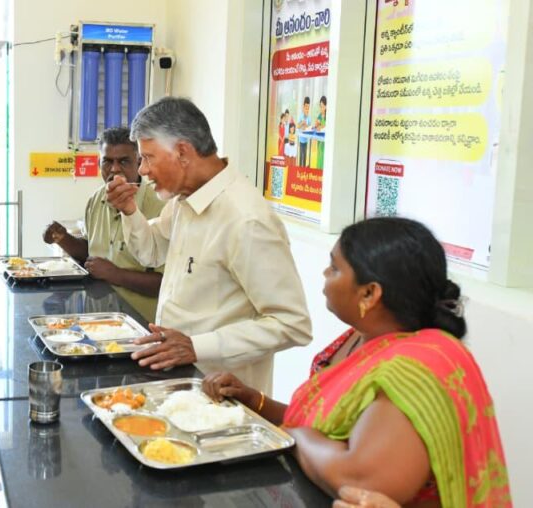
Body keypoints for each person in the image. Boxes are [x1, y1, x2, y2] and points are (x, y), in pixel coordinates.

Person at [202, 217, 511, 507]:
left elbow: (358, 482)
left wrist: (293, 437)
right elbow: (326, 427)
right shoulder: (360, 338)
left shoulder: (414, 369)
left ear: (369, 294)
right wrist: (254, 402)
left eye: (334, 268)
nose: (325, 274)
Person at [106, 97, 311, 394]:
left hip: (223, 395)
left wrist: (196, 347)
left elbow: (292, 324)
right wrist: (129, 210)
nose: (143, 171)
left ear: (182, 152)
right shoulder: (183, 200)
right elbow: (151, 252)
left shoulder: (246, 219)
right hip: (179, 379)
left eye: (148, 158)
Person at [42, 127, 166, 321]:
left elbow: (165, 284)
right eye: (107, 161)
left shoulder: (159, 206)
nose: (115, 169)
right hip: (99, 319)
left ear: (139, 163)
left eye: (124, 161)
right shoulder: (96, 199)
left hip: (140, 325)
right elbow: (92, 254)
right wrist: (63, 238)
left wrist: (116, 274)